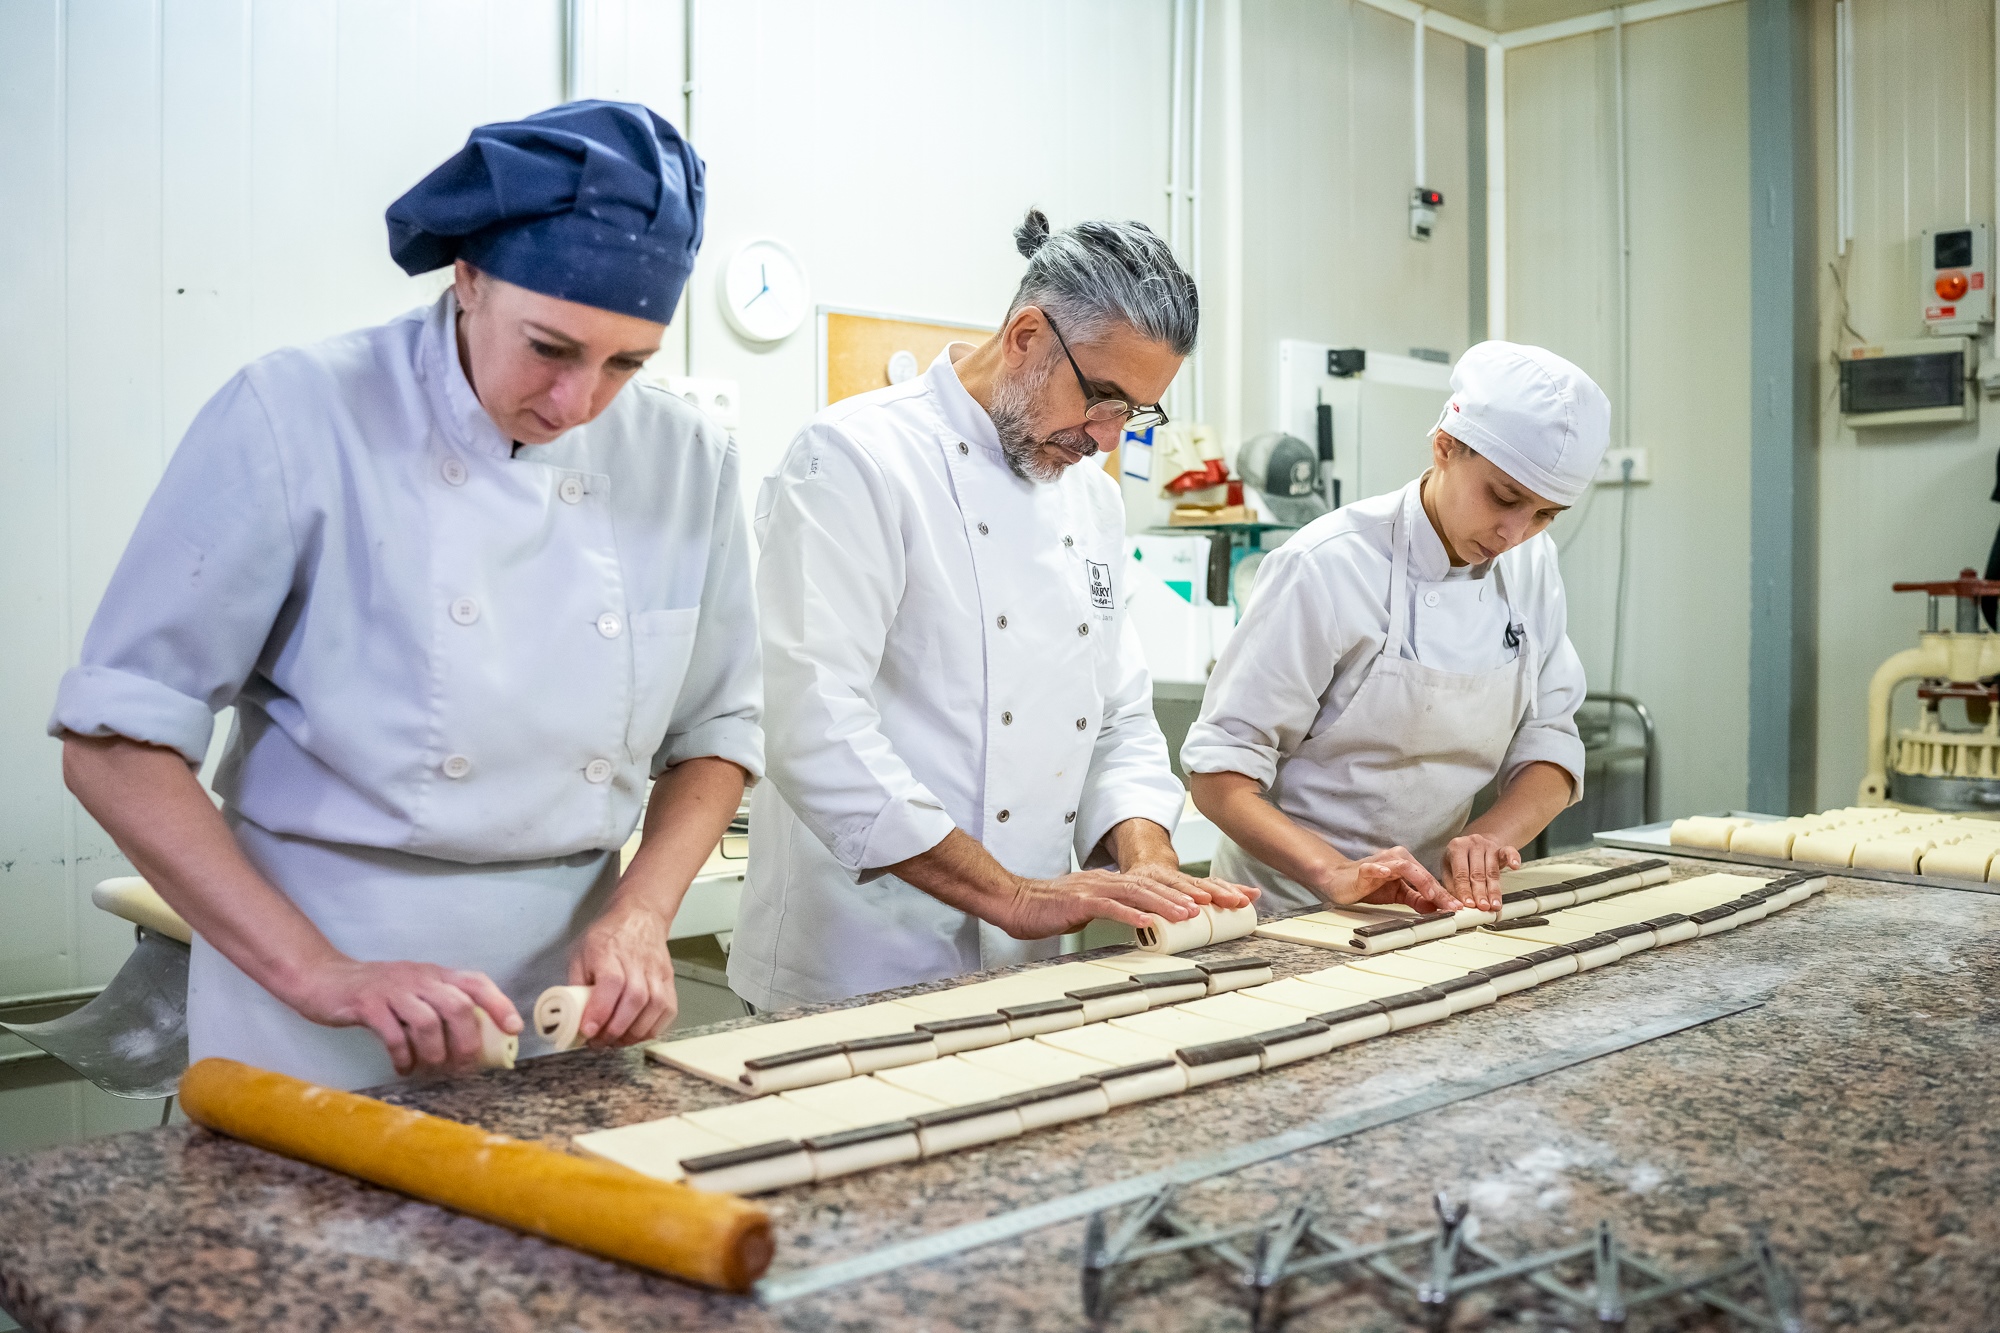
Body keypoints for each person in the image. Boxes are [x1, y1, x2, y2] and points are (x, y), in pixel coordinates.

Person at [51, 102, 761, 1089]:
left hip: (571, 998)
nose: (577, 404)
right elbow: (114, 742)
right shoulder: (297, 416)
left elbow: (718, 734)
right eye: (550, 349)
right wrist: (319, 973)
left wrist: (641, 913)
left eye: (627, 364)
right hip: (316, 999)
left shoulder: (688, 460)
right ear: (468, 277)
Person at [731, 210, 1256, 1009]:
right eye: (1101, 398)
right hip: (858, 960)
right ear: (1026, 337)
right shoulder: (855, 458)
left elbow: (1117, 719)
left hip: (1028, 962)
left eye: (1133, 413)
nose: (1106, 439)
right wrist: (1009, 893)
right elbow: (811, 721)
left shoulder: (1092, 501)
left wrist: (1147, 857)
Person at [1183, 341, 1606, 916]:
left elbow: (1551, 741)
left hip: (1429, 909)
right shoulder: (1328, 564)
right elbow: (1220, 772)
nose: (1514, 533)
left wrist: (1488, 840)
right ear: (1445, 448)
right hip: (1290, 910)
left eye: (1544, 515)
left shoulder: (1532, 565)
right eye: (1504, 498)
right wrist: (1331, 872)